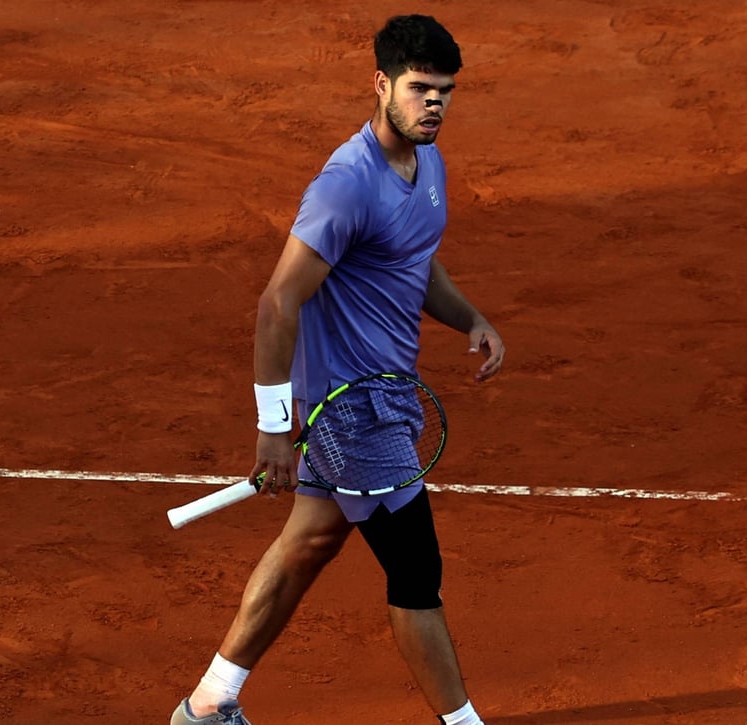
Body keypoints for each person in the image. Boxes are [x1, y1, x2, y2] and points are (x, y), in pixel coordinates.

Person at [171, 14, 505, 725]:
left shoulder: (426, 162)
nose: (434, 104)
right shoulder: (345, 186)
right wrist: (271, 428)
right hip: (350, 412)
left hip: (385, 401)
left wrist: (470, 317)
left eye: (445, 91)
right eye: (419, 89)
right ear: (381, 84)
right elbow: (277, 302)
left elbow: (414, 258)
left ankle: (207, 703)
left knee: (311, 541)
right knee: (416, 572)